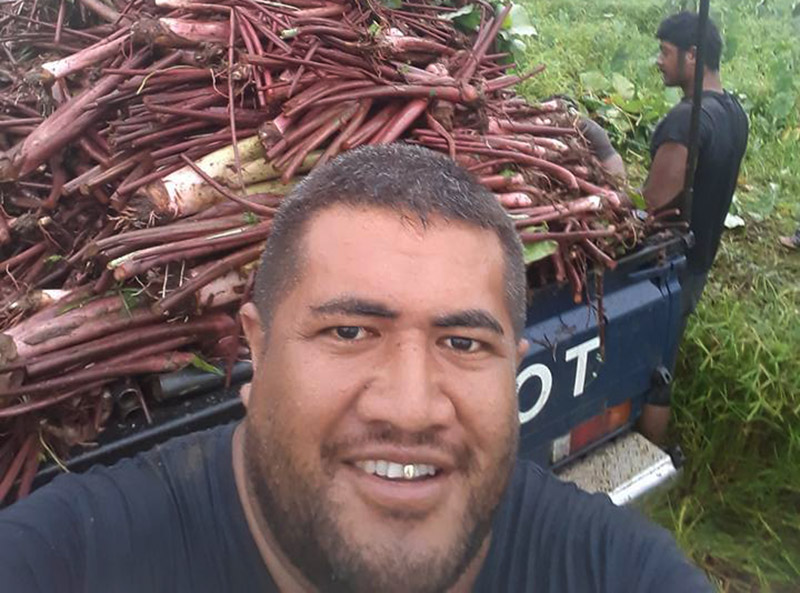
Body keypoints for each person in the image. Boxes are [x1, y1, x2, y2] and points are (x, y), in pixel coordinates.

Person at [0, 145, 711, 592]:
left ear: (512, 370)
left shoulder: (619, 569)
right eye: (348, 330)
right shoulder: (68, 557)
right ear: (256, 349)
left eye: (463, 343)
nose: (409, 407)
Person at [638, 11, 749, 444]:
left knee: (650, 369)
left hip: (665, 267)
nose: (659, 61)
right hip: (699, 262)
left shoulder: (688, 120)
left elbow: (651, 206)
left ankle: (649, 451)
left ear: (693, 56)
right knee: (664, 354)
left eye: (666, 52)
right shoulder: (734, 113)